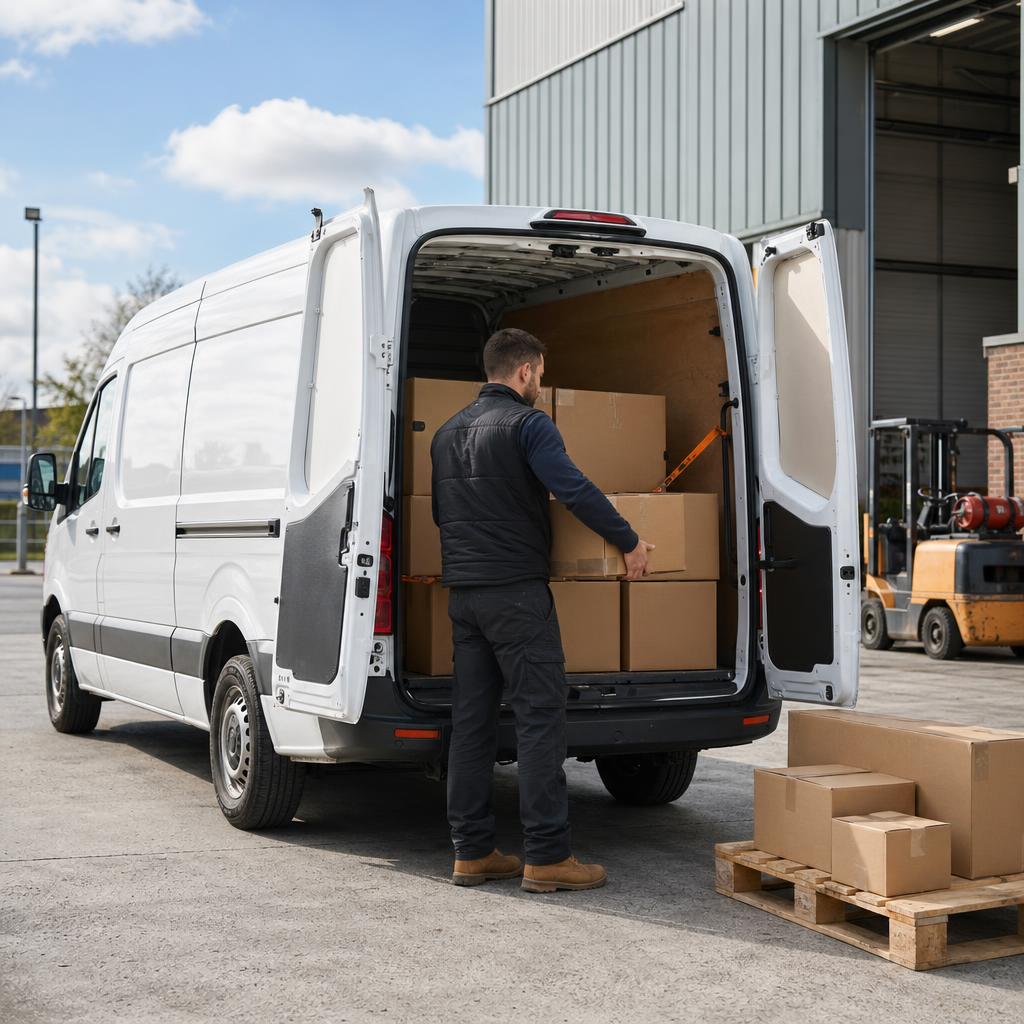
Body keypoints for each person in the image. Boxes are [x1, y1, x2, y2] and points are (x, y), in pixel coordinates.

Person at [430, 327, 654, 893]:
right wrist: (628, 540)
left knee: (473, 725)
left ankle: (472, 852)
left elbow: (441, 514)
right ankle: (549, 857)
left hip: (465, 597)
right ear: (525, 371)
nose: (541, 383)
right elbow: (572, 489)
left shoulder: (445, 434)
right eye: (541, 373)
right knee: (538, 720)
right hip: (517, 595)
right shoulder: (530, 424)